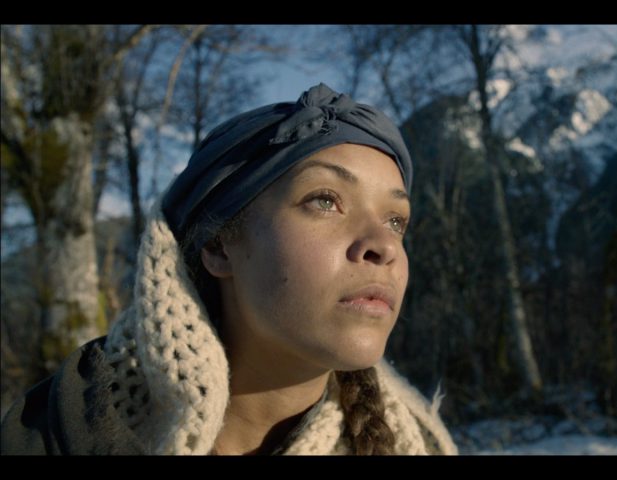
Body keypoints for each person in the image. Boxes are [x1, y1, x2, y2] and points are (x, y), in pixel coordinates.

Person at [0, 83, 458, 455]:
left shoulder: (422, 445)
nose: (384, 246)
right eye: (325, 201)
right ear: (218, 246)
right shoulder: (46, 437)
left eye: (396, 221)